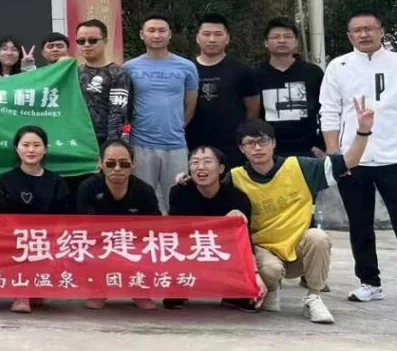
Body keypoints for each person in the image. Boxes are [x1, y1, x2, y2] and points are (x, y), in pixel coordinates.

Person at [320, 11, 397, 307]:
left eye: (369, 28)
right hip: (352, 159)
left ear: (382, 31)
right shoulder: (338, 66)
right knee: (359, 224)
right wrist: (334, 154)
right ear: (349, 36)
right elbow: (329, 111)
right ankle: (369, 282)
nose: (364, 34)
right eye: (357, 30)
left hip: (394, 158)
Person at [231, 115, 375, 323]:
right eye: (250, 143)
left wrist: (363, 131)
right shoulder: (235, 177)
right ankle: (272, 289)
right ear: (241, 148)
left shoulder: (300, 167)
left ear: (273, 143)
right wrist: (186, 181)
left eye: (263, 141)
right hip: (263, 252)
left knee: (318, 237)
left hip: (298, 251)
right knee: (271, 270)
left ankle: (314, 297)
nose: (258, 148)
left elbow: (348, 162)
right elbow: (207, 193)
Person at [165, 146, 261, 312]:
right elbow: (176, 232)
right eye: (195, 162)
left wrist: (255, 274)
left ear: (221, 168)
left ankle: (235, 294)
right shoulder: (179, 193)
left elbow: (244, 240)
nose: (200, 167)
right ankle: (180, 288)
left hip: (223, 250)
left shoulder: (237, 197)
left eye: (208, 162)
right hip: (191, 248)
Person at [124, 14, 198, 213]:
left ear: (170, 34)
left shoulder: (187, 67)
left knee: (176, 200)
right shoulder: (129, 67)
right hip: (140, 144)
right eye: (151, 30)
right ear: (142, 35)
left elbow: (190, 105)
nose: (157, 35)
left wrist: (177, 126)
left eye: (162, 30)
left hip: (175, 144)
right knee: (142, 201)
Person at [76, 139, 160, 310]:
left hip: (133, 243)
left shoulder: (145, 191)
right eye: (110, 163)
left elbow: (155, 228)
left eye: (124, 164)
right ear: (100, 163)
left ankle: (139, 290)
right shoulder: (87, 188)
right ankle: (98, 289)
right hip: (99, 242)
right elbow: (82, 226)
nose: (117, 168)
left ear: (133, 165)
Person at [0, 125, 71, 314]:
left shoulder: (56, 181)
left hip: (47, 242)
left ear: (45, 149)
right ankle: (21, 293)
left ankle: (35, 287)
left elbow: (65, 218)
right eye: (26, 145)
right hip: (13, 242)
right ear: (16, 148)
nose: (31, 150)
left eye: (37, 145)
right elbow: (0, 220)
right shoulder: (4, 180)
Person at [187, 14, 260, 167]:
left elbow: (253, 110)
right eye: (206, 34)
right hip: (193, 147)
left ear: (227, 38)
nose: (212, 39)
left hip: (232, 149)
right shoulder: (186, 70)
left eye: (218, 34)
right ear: (197, 38)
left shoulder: (242, 71)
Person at [255, 17, 324, 157]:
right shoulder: (255, 75)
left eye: (287, 37)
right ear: (266, 42)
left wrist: (321, 144)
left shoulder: (313, 72)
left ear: (296, 42)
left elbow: (325, 110)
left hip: (309, 150)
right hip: (270, 152)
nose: (282, 41)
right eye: (276, 37)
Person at [74, 20, 131, 145]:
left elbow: (118, 112)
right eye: (81, 41)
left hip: (104, 142)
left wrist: (111, 145)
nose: (86, 45)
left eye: (92, 40)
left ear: (105, 41)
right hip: (77, 140)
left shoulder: (117, 73)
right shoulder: (75, 73)